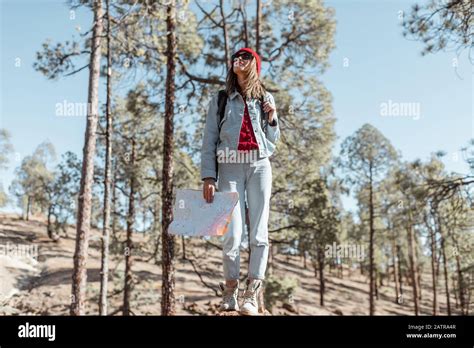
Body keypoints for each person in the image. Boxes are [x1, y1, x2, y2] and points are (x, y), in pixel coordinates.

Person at [200, 47, 281, 315]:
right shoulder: (222, 99)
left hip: (259, 165)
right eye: (236, 56)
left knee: (259, 232)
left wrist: (272, 118)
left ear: (254, 65)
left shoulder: (264, 97)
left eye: (245, 56)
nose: (239, 59)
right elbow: (209, 139)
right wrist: (209, 176)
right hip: (229, 168)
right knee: (233, 233)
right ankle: (231, 290)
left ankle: (252, 292)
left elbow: (272, 142)